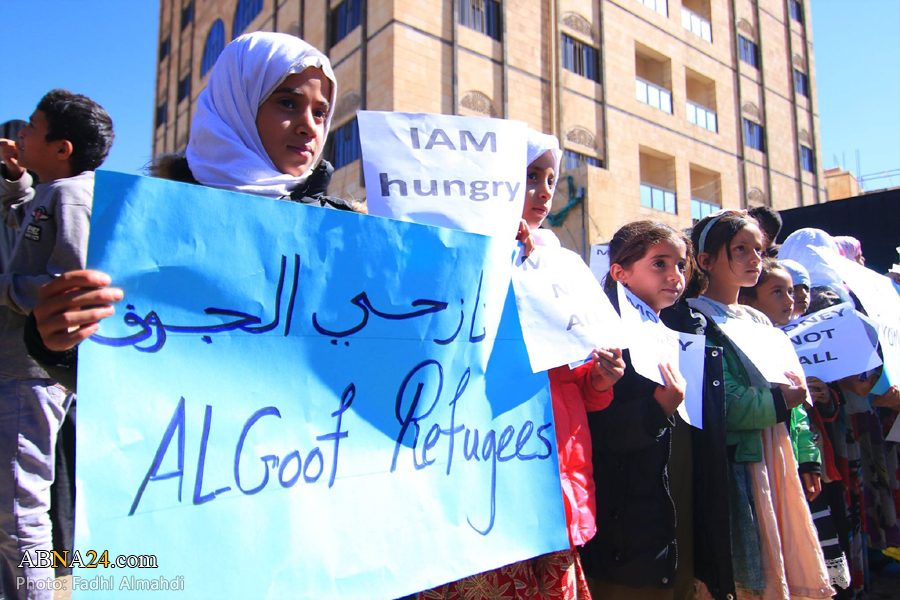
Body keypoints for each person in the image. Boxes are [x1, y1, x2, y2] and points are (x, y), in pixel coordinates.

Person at [25, 32, 362, 393]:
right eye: (287, 103)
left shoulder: (347, 230)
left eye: (320, 112)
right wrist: (54, 342)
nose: (309, 125)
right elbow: (122, 378)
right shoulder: (143, 221)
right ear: (236, 101)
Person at [420, 130, 625, 600]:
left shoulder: (560, 266)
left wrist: (598, 378)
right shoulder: (456, 250)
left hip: (548, 475)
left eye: (551, 179)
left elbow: (573, 383)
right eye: (531, 175)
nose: (545, 190)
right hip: (474, 472)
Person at [0, 89, 113, 600]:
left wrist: (5, 288)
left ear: (61, 148)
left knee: (19, 510)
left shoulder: (69, 196)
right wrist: (16, 180)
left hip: (32, 369)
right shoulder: (54, 192)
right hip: (26, 368)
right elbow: (27, 228)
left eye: (32, 128)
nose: (22, 135)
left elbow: (67, 287)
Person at [686, 210, 832, 600]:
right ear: (705, 260)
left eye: (758, 250)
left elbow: (793, 391)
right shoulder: (695, 319)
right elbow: (721, 399)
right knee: (749, 564)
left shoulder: (758, 319)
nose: (754, 258)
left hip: (776, 450)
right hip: (740, 458)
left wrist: (808, 456)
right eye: (741, 249)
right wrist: (777, 401)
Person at [579, 220, 700, 600]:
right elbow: (600, 432)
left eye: (681, 264)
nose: (675, 275)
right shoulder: (604, 339)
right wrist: (658, 408)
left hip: (667, 518)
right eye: (659, 263)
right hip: (626, 533)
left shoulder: (674, 336)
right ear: (620, 273)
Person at [739, 259, 852, 594]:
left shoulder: (780, 341)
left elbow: (799, 415)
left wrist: (810, 461)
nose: (790, 299)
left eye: (791, 291)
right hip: (765, 461)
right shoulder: (743, 342)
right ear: (749, 299)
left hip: (795, 462)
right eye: (778, 292)